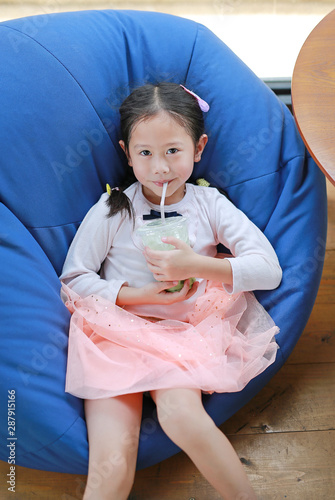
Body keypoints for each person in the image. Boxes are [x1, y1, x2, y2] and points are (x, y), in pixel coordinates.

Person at [60, 82, 282, 500]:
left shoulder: (209, 205)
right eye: (145, 153)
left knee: (182, 416)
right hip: (115, 334)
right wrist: (140, 294)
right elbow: (74, 279)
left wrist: (196, 266)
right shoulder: (113, 209)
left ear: (199, 148)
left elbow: (268, 270)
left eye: (173, 151)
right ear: (127, 153)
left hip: (183, 335)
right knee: (113, 459)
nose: (160, 167)